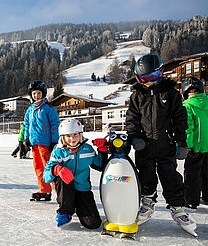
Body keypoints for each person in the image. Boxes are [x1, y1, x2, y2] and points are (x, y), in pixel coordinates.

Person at [125, 54, 196, 234]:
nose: (148, 82)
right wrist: (135, 137)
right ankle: (147, 202)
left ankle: (178, 208)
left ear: (161, 73)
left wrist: (181, 142)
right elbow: (131, 120)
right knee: (146, 174)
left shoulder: (170, 93)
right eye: (143, 79)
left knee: (170, 175)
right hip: (145, 146)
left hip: (167, 145)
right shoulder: (136, 97)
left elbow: (180, 118)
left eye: (152, 78)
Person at [43, 119, 108, 228]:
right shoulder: (58, 152)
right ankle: (65, 211)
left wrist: (102, 150)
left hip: (83, 189)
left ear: (80, 134)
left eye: (75, 135)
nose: (72, 139)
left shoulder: (87, 149)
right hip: (66, 190)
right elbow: (46, 177)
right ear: (63, 137)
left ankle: (79, 206)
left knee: (93, 224)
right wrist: (57, 169)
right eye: (68, 136)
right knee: (61, 176)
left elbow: (100, 166)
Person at [24, 80, 60, 201]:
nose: (36, 96)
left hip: (46, 143)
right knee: (38, 167)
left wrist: (54, 140)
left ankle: (60, 194)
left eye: (38, 93)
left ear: (43, 93)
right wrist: (26, 139)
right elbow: (26, 125)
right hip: (34, 143)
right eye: (34, 93)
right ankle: (44, 190)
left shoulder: (48, 108)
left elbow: (54, 124)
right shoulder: (30, 109)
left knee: (49, 168)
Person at [181, 77, 208, 209]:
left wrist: (189, 146)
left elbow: (188, 128)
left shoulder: (188, 105)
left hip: (196, 147)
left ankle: (191, 200)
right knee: (207, 173)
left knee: (192, 174)